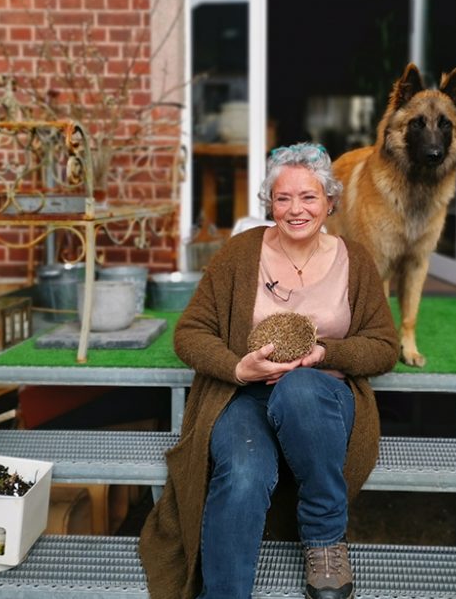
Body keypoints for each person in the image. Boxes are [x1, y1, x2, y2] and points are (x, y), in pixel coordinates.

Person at [139, 142, 400, 599]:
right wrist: (238, 367)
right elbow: (190, 333)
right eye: (283, 198)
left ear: (330, 202)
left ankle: (324, 539)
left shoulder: (354, 261)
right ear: (269, 203)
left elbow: (383, 348)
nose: (295, 209)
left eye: (309, 197)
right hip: (244, 397)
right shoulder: (241, 254)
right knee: (242, 472)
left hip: (323, 402)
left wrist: (325, 355)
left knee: (299, 386)